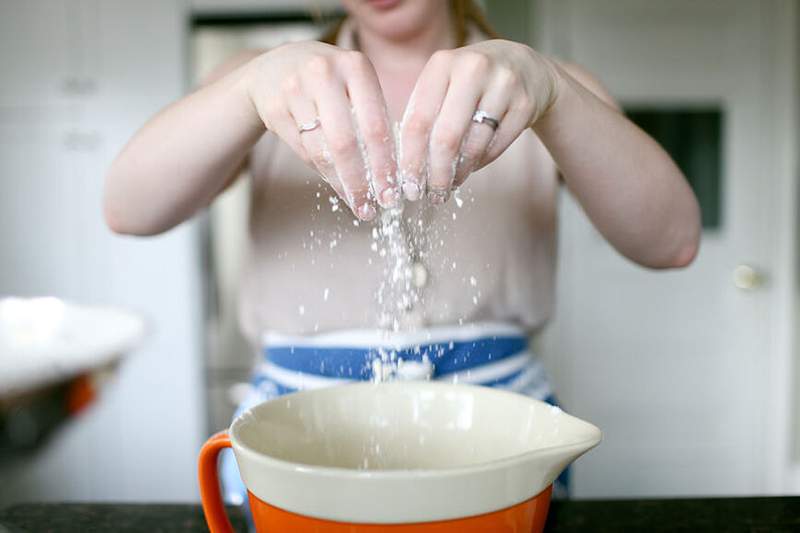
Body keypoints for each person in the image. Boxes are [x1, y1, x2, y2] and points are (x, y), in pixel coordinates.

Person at [104, 0, 700, 502]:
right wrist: (246, 87)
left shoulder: (546, 88)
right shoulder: (262, 84)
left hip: (503, 437)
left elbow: (672, 241)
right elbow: (128, 209)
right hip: (293, 433)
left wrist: (553, 92)